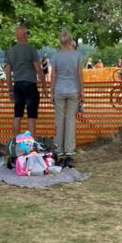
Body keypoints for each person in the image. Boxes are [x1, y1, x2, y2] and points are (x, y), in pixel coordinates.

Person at [5, 24, 46, 137]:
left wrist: (10, 90)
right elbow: (38, 69)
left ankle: (17, 143)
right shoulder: (31, 49)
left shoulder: (11, 51)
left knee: (17, 116)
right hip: (30, 85)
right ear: (24, 35)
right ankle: (30, 145)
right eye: (27, 33)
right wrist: (44, 86)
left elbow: (7, 72)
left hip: (17, 85)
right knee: (31, 117)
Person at [50, 29, 84, 166]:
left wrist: (52, 92)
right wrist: (82, 90)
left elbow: (53, 75)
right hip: (74, 90)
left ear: (60, 41)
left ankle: (58, 149)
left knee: (59, 119)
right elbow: (80, 74)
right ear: (71, 40)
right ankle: (69, 151)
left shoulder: (56, 55)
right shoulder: (78, 54)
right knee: (70, 120)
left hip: (59, 90)